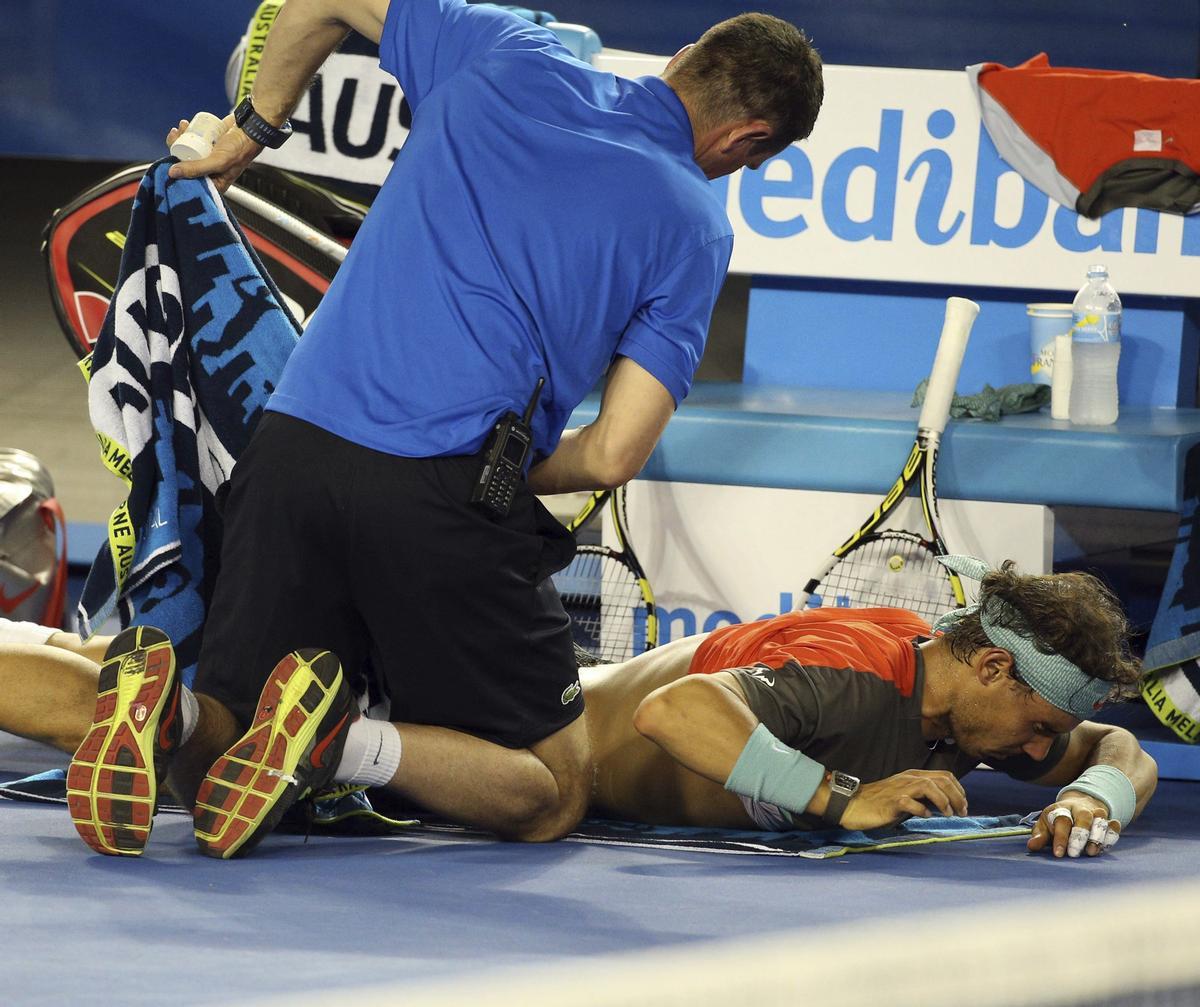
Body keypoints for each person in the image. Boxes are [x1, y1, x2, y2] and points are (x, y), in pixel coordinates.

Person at [65, 0, 825, 857]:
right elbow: (614, 453)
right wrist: (505, 471)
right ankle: (340, 742)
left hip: (292, 449)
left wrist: (249, 131)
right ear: (748, 141)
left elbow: (320, 1)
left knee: (222, 760)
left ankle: (166, 708)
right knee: (553, 788)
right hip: (439, 492)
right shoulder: (694, 222)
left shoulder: (505, 50)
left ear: (686, 56)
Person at [8, 558, 1156, 859]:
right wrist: (838, 797)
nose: (1041, 755)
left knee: (144, 687)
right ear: (1000, 670)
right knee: (180, 750)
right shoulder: (864, 678)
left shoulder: (946, 692)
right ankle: (334, 740)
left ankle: (298, 727)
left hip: (488, 683)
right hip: (505, 737)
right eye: (1041, 732)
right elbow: (682, 717)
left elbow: (1115, 747)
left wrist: (1096, 792)